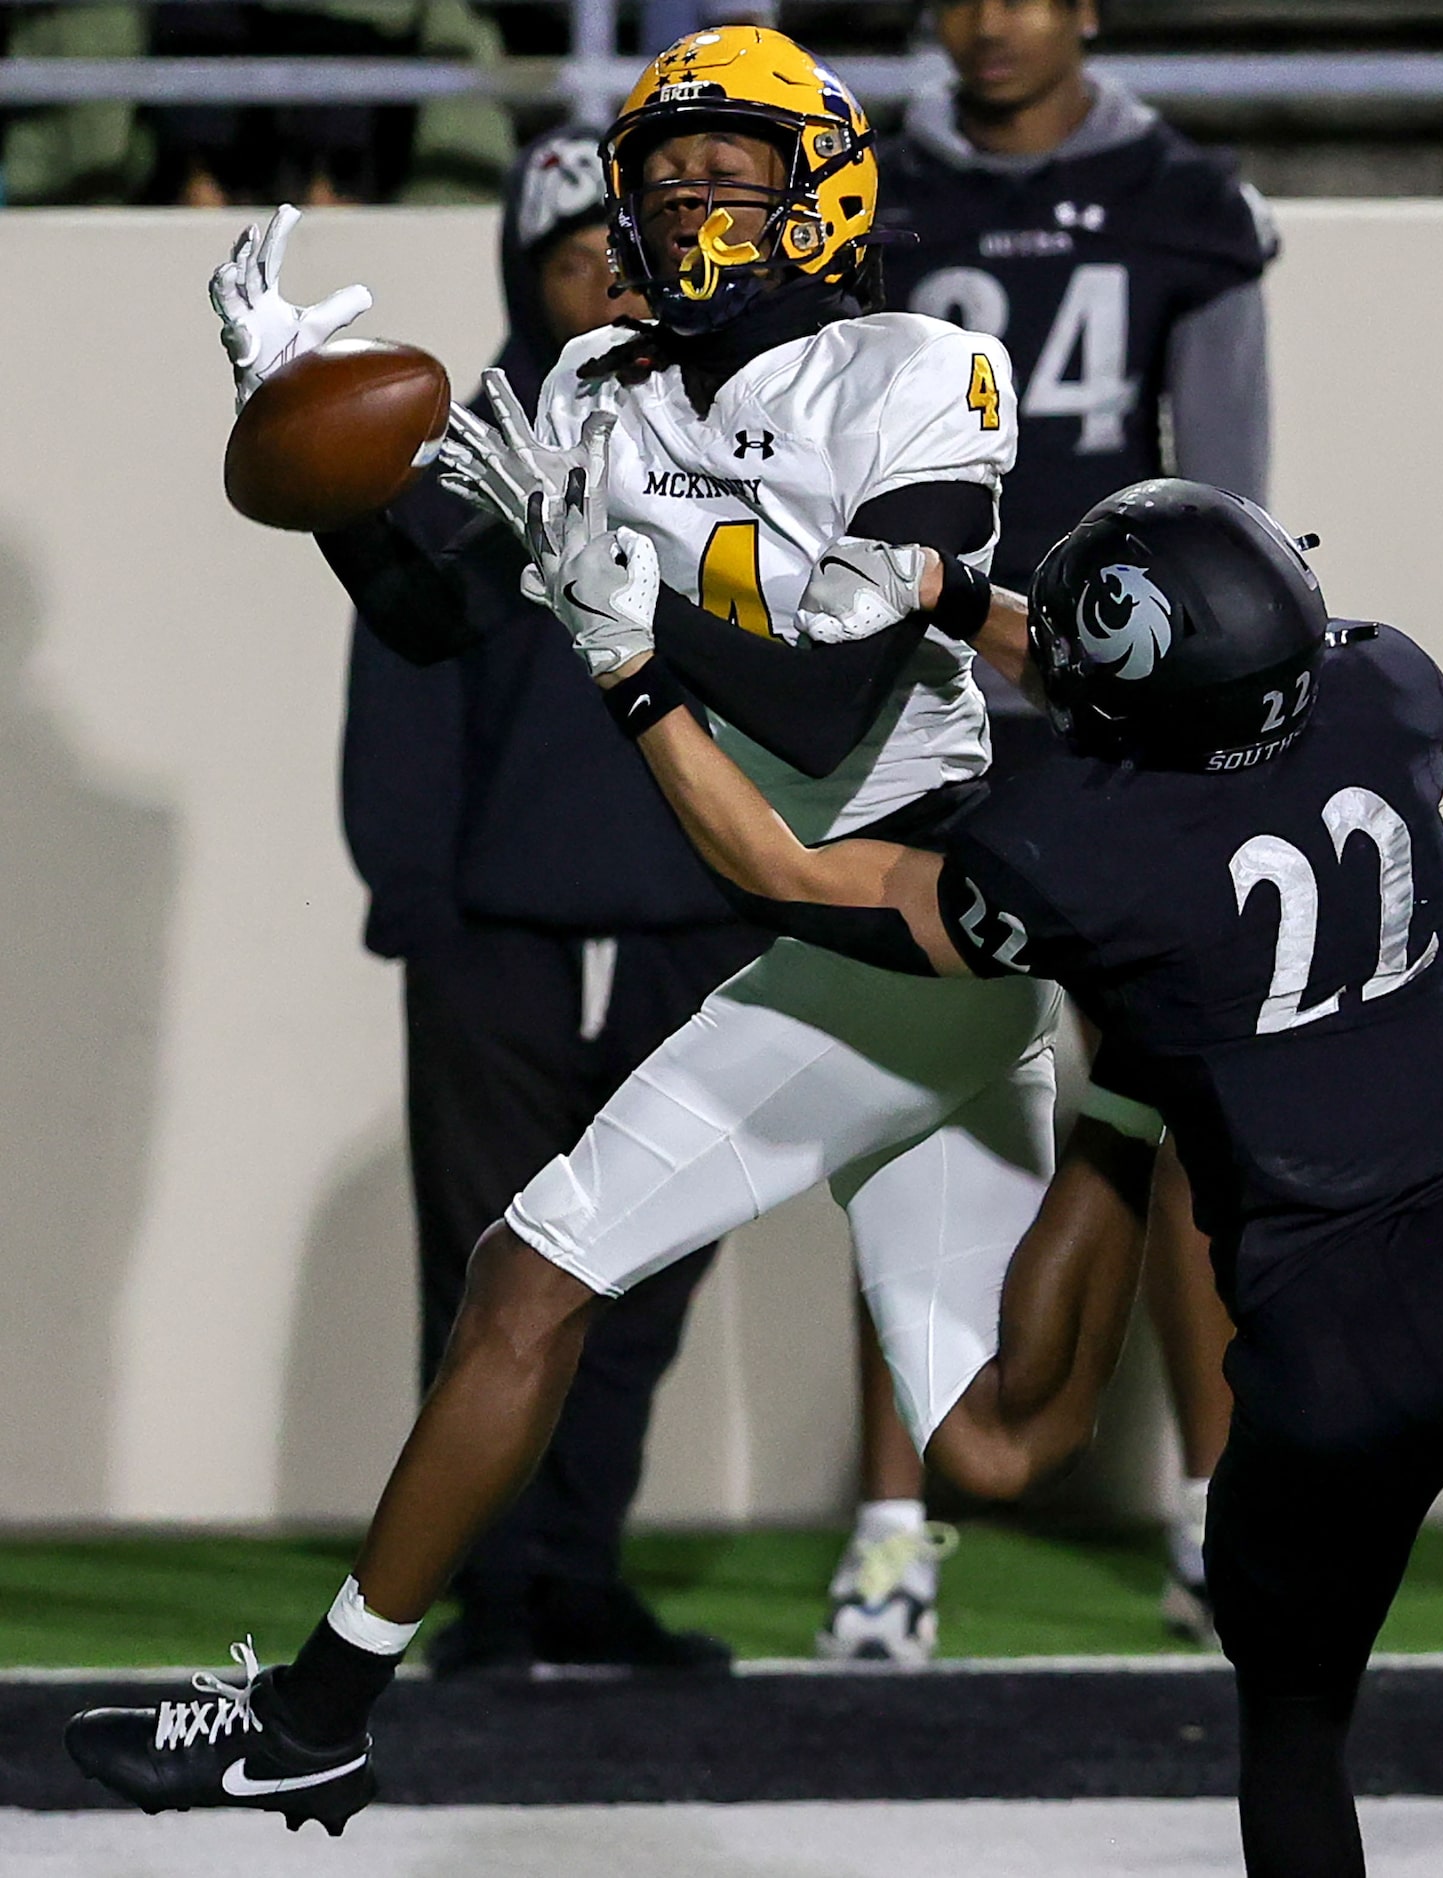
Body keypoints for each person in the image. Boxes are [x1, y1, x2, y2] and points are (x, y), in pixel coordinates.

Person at [462, 473, 1443, 1875]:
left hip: (1321, 1365)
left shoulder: (1077, 853)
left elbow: (788, 872)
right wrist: (961, 599)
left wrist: (627, 670)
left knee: (1289, 1732)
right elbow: (1179, 683)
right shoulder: (1390, 697)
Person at [65, 23, 1062, 1834]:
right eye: (663, 181)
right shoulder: (601, 383)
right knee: (525, 1277)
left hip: (942, 932)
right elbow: (442, 617)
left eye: (727, 177)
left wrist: (630, 637)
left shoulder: (919, 372)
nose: (686, 210)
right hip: (807, 953)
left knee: (1004, 1439)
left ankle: (1168, 1161)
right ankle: (319, 1709)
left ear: (823, 191)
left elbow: (838, 697)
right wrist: (326, 452)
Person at [821, 0, 1278, 1654]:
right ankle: (891, 1529)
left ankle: (1218, 1513)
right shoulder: (865, 183)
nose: (987, 22)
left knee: (1180, 1119)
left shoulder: (1177, 198)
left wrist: (1199, 713)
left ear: (1085, 6)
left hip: (1116, 726)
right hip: (925, 710)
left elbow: (1225, 497)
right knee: (917, 1099)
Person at [341, 125, 766, 1675]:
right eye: (576, 254)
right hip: (496, 930)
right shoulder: (468, 454)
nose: (607, 278)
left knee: (645, 1263)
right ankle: (490, 1584)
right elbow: (404, 677)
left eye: (632, 248)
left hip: (698, 915)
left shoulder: (734, 438)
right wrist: (419, 901)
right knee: (486, 1260)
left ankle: (577, 1564)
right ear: (527, 275)